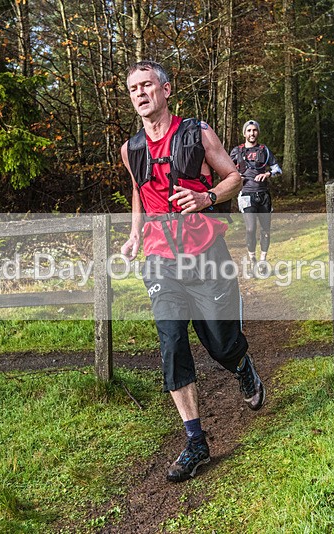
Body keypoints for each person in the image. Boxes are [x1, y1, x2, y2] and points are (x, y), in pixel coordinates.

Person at [120, 60, 265, 483]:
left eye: (148, 85)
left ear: (166, 90)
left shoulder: (197, 133)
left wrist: (207, 199)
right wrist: (134, 235)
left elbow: (235, 178)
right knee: (171, 344)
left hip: (206, 252)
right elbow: (138, 192)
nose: (141, 94)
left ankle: (241, 365)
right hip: (160, 259)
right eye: (133, 89)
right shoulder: (130, 149)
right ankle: (195, 440)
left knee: (220, 343)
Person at [229, 120, 282, 273]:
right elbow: (225, 169)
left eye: (255, 130)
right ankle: (252, 259)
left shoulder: (264, 150)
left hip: (263, 194)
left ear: (258, 132)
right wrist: (237, 176)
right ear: (244, 133)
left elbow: (277, 168)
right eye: (249, 131)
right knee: (251, 229)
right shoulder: (237, 151)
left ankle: (263, 261)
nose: (252, 133)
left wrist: (267, 174)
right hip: (246, 194)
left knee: (265, 230)